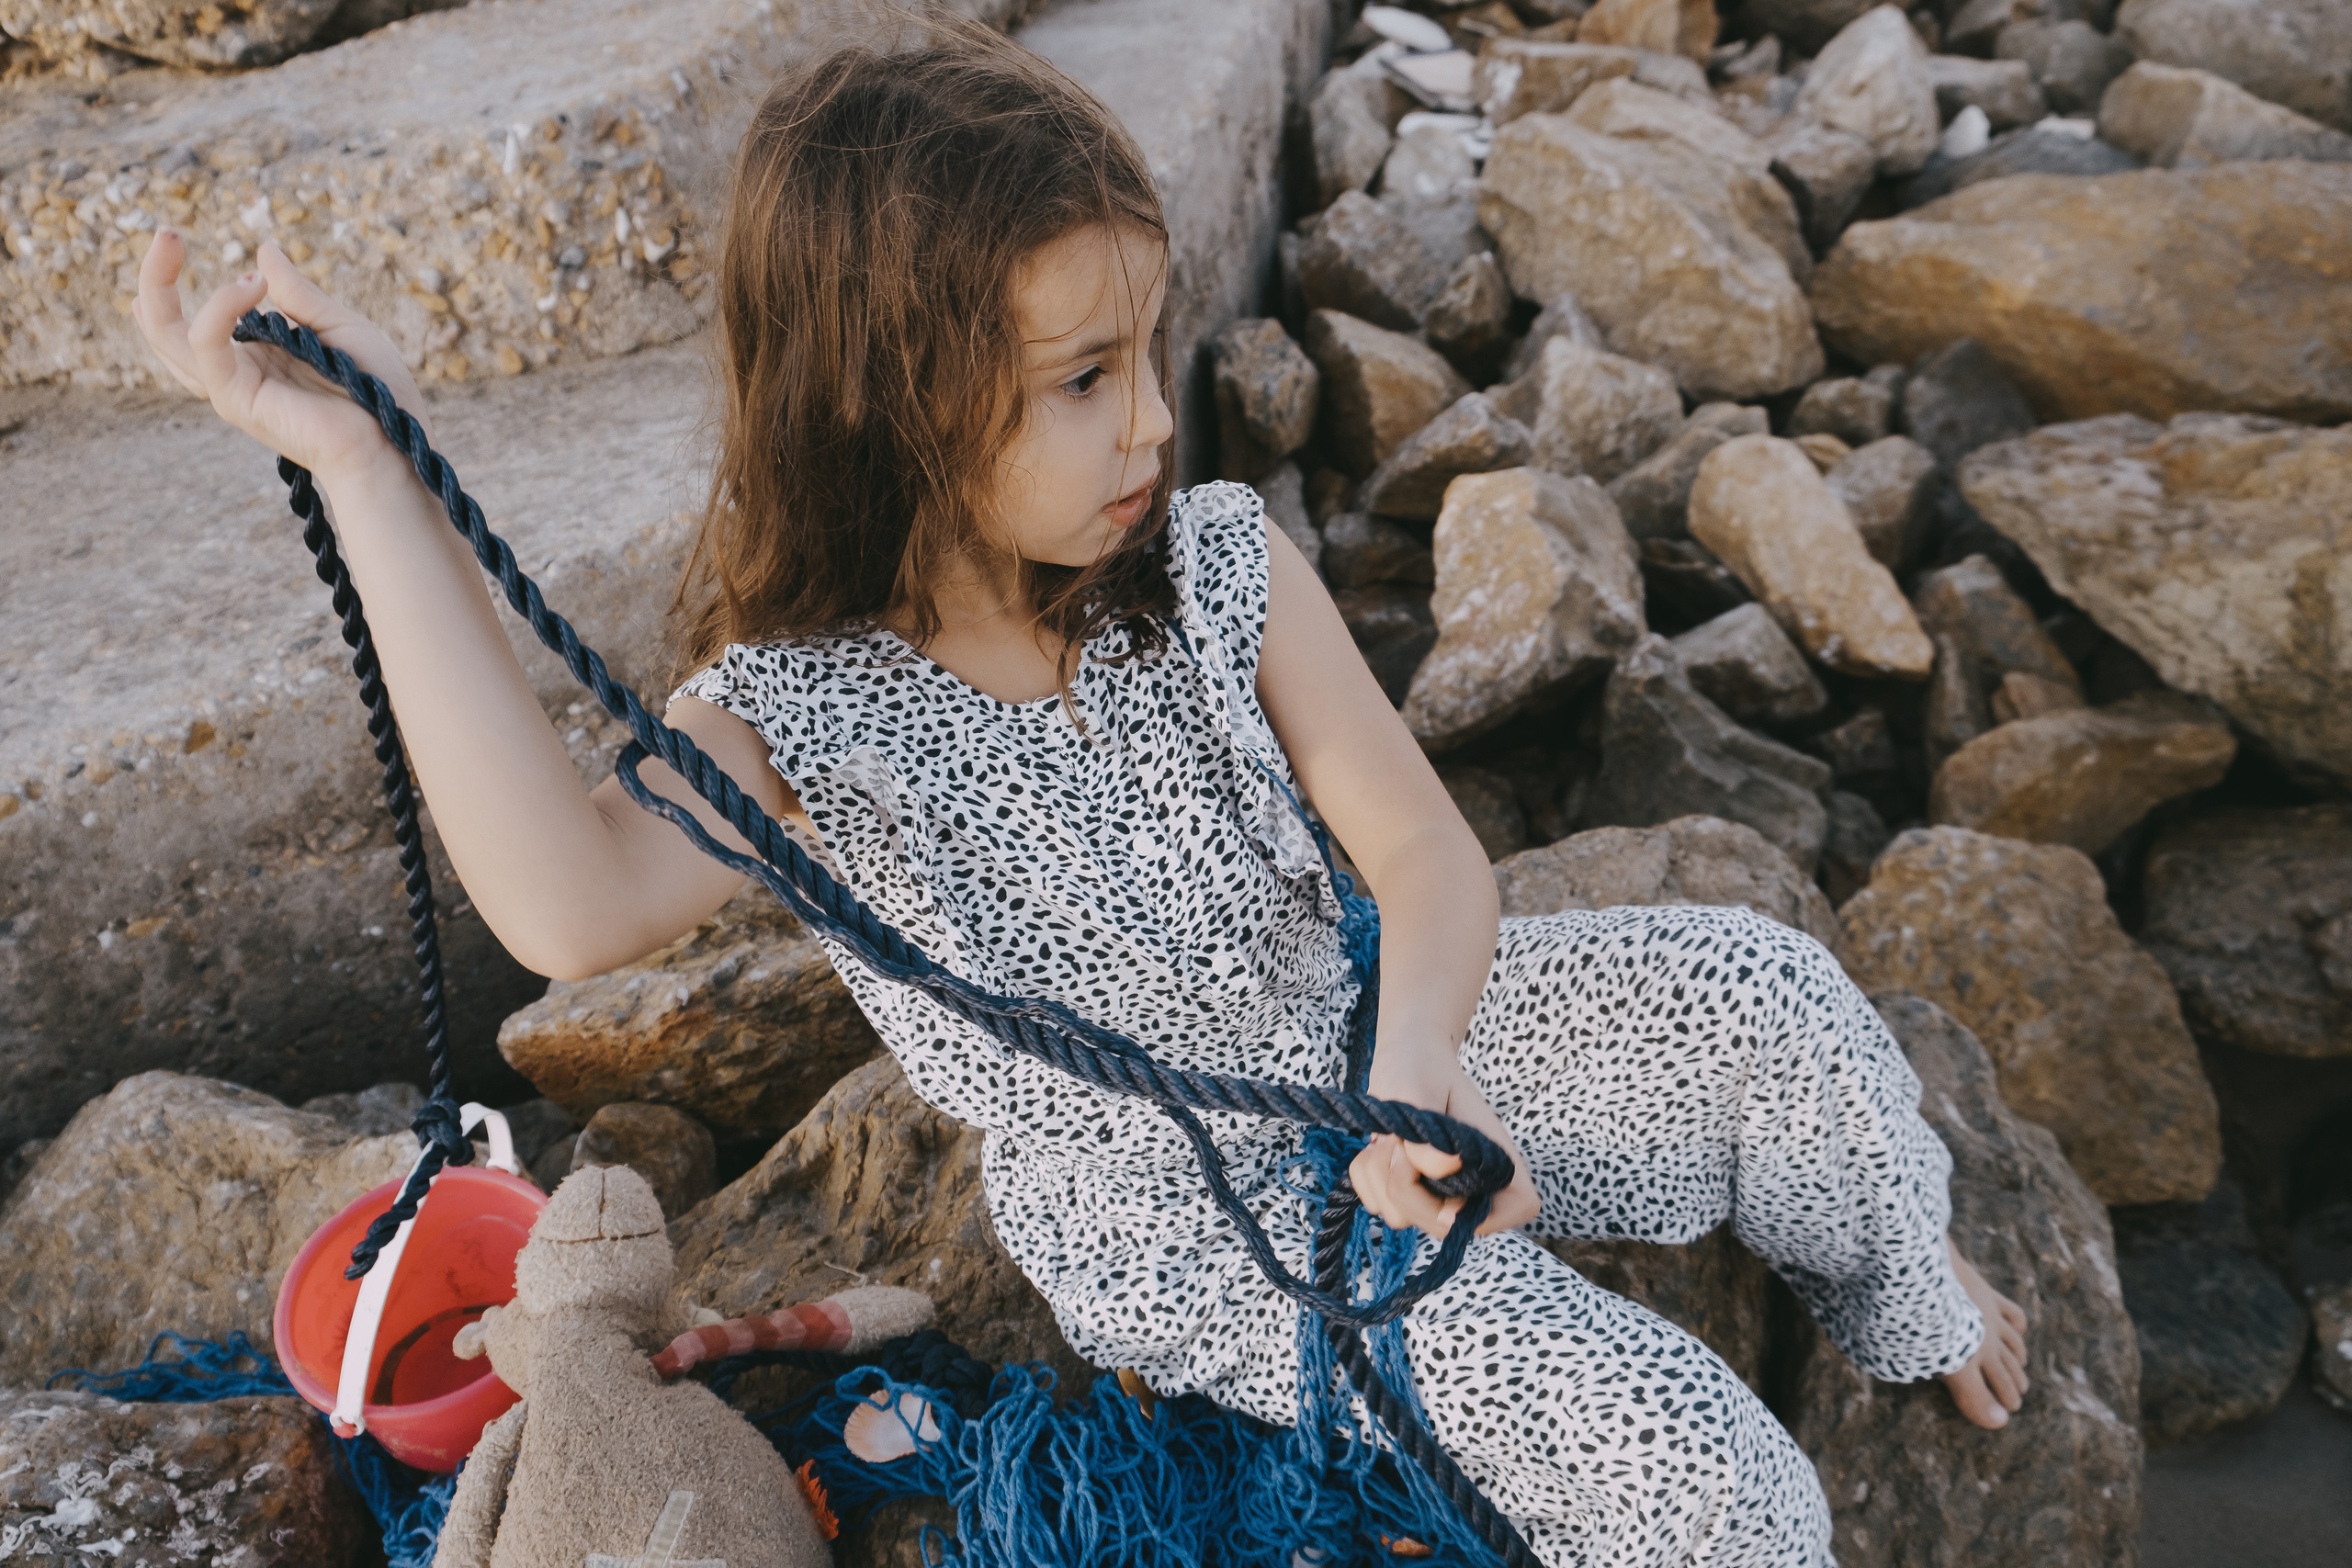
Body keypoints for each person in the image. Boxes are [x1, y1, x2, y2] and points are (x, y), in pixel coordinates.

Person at [132, 20, 2029, 1566]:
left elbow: (1417, 852)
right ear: (891, 404)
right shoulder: (805, 713)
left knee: (1766, 993)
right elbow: (562, 892)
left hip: (1367, 1033)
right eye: (1079, 377)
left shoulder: (1212, 563)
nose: (1148, 413)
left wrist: (1421, 1075)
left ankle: (1897, 1290)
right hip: (1176, 1209)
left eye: (1148, 348)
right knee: (1698, 1471)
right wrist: (378, 471)